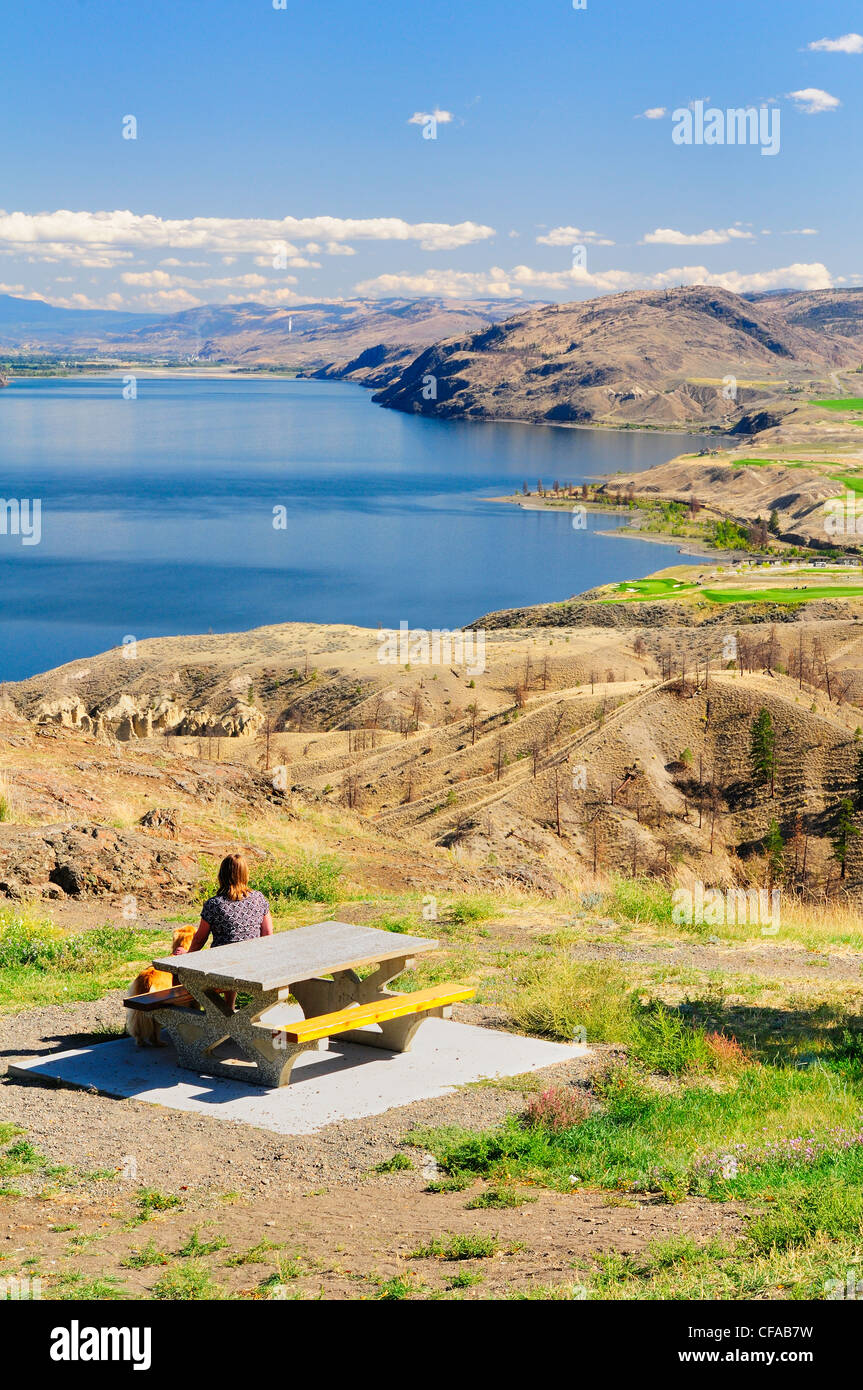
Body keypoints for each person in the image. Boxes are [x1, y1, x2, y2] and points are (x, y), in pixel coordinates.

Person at [178, 853, 273, 1011]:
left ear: (221, 875)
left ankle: (220, 1011)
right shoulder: (259, 898)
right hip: (253, 964)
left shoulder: (214, 904)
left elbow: (199, 939)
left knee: (223, 960)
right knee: (235, 957)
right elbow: (268, 932)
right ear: (245, 874)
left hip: (222, 968)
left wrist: (186, 957)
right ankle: (239, 1008)